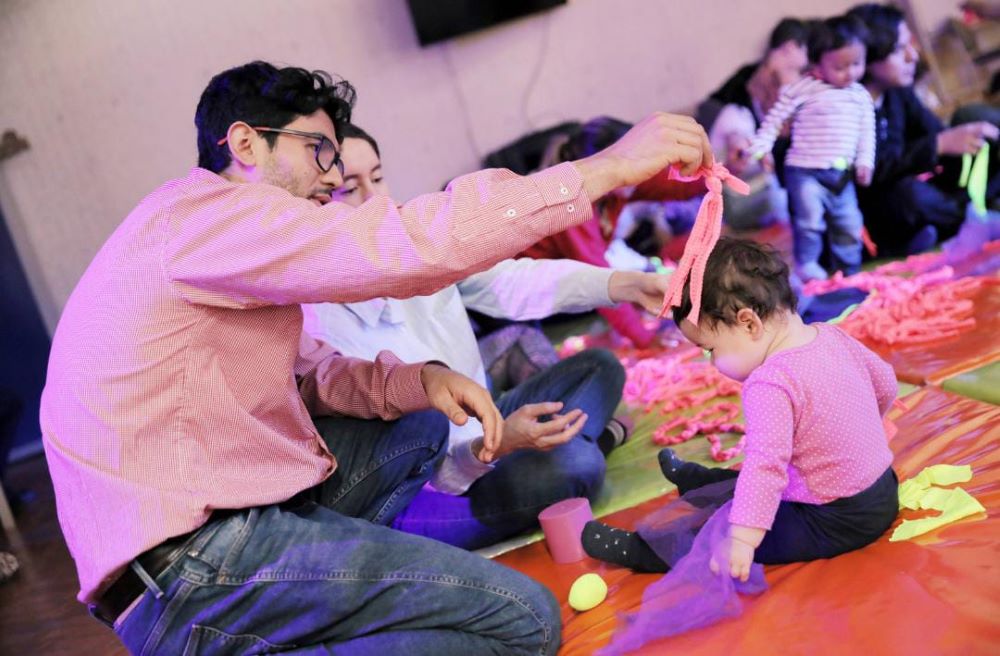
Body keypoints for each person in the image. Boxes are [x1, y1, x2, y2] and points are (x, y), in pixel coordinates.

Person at [39, 60, 713, 654]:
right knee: (524, 620)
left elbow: (314, 374)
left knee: (422, 411)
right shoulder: (211, 219)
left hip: (249, 519)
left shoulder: (226, 246)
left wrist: (424, 378)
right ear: (245, 143)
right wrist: (606, 168)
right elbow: (407, 246)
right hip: (190, 563)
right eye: (320, 154)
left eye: (356, 168)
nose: (333, 182)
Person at [304, 124, 674, 550]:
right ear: (318, 206)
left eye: (379, 177)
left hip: (489, 428)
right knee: (575, 464)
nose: (378, 201)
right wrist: (494, 447)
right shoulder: (319, 327)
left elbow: (512, 280)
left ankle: (558, 447)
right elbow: (423, 464)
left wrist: (623, 284)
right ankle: (588, 444)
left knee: (599, 368)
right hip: (434, 489)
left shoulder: (417, 249)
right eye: (351, 188)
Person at [581, 237, 899, 579]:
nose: (712, 362)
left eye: (710, 349)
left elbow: (766, 465)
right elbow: (886, 382)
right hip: (883, 490)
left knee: (718, 534)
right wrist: (863, 429)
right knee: (752, 486)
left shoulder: (769, 381)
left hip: (835, 518)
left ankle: (642, 549)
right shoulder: (830, 335)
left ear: (749, 323)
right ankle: (699, 481)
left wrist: (743, 540)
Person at [521, 116, 706, 348]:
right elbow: (597, 276)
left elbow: (669, 184)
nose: (644, 172)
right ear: (605, 165)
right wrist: (646, 339)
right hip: (527, 300)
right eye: (639, 162)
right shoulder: (568, 202)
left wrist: (715, 172)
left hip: (569, 283)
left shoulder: (616, 184)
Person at [847, 3, 1000, 256]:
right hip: (887, 205)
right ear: (868, 60)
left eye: (911, 44)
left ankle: (957, 219)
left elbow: (934, 131)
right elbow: (869, 174)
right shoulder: (847, 108)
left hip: (932, 188)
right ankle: (972, 218)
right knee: (908, 196)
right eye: (899, 50)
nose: (913, 55)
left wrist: (960, 138)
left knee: (972, 117)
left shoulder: (897, 91)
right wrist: (937, 145)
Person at [749, 15, 875, 282]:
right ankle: (808, 265)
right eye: (840, 67)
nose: (850, 72)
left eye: (857, 63)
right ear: (817, 66)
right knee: (810, 222)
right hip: (805, 171)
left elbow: (866, 134)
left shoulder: (860, 95)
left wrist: (865, 162)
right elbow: (774, 119)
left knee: (850, 224)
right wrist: (761, 147)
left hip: (842, 174)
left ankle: (849, 271)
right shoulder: (804, 89)